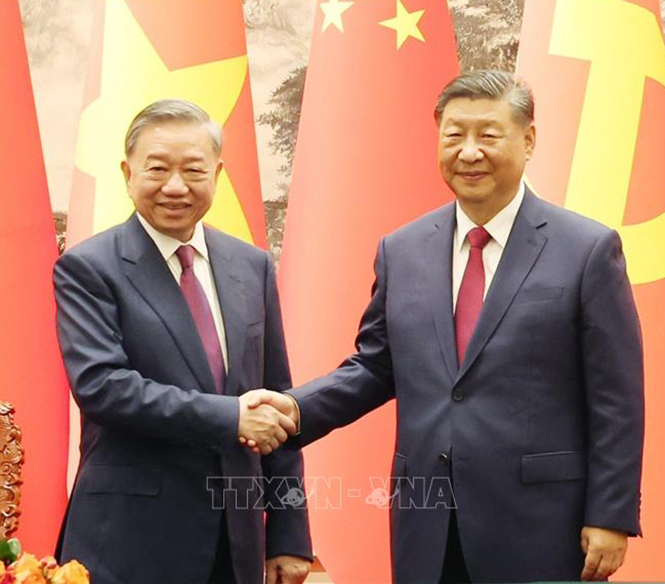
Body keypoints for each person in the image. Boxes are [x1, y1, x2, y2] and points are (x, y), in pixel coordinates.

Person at [243, 70, 644, 583]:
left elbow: (617, 396)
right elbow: (375, 367)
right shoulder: (402, 250)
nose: (469, 152)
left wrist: (610, 514)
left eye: (488, 135)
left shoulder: (586, 250)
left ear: (529, 139)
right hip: (428, 524)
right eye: (454, 135)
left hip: (544, 526)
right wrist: (296, 409)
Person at [54, 99, 312, 584]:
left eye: (193, 170)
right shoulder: (89, 268)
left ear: (217, 173)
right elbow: (103, 387)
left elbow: (276, 402)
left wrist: (288, 532)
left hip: (233, 544)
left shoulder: (251, 266)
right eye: (157, 169)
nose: (175, 186)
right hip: (129, 543)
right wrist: (231, 416)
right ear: (128, 172)